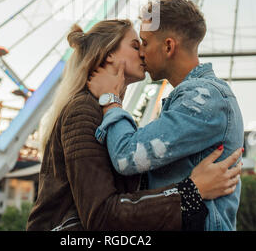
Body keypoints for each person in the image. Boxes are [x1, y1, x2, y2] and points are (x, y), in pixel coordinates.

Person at [26, 19, 242, 232]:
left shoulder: (108, 114)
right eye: (136, 45)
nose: (142, 53)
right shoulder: (83, 110)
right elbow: (101, 215)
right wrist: (192, 192)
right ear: (109, 53)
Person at [88, 0, 244, 231]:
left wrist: (111, 100)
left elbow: (126, 155)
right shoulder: (198, 98)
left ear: (169, 47)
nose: (141, 52)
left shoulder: (203, 99)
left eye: (145, 42)